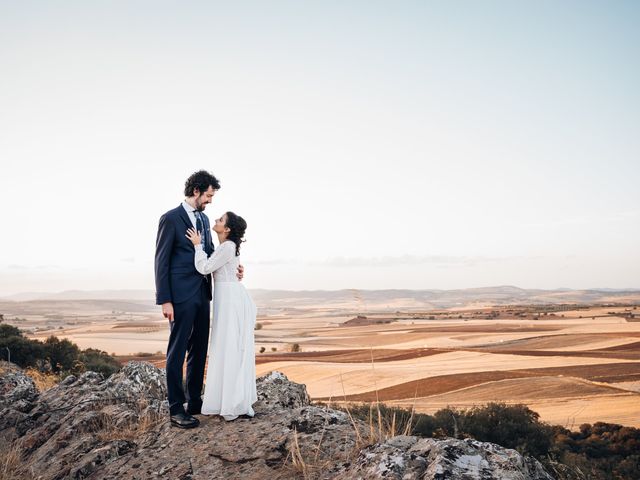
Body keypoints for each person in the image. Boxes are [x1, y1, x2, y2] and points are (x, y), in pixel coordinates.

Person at [154, 170, 243, 429]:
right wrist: (165, 299)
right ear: (196, 191)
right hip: (179, 295)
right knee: (178, 349)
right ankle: (175, 408)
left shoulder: (204, 220)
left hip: (204, 293)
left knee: (199, 348)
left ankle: (194, 401)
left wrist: (234, 268)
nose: (210, 201)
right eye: (208, 195)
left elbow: (212, 255)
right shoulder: (170, 219)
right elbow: (161, 260)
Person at [185, 211, 257, 421]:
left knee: (228, 346)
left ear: (227, 229)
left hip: (229, 300)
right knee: (228, 346)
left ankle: (230, 401)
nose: (216, 221)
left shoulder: (227, 247)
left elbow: (204, 267)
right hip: (227, 297)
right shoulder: (227, 248)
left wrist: (197, 245)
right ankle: (228, 398)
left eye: (220, 220)